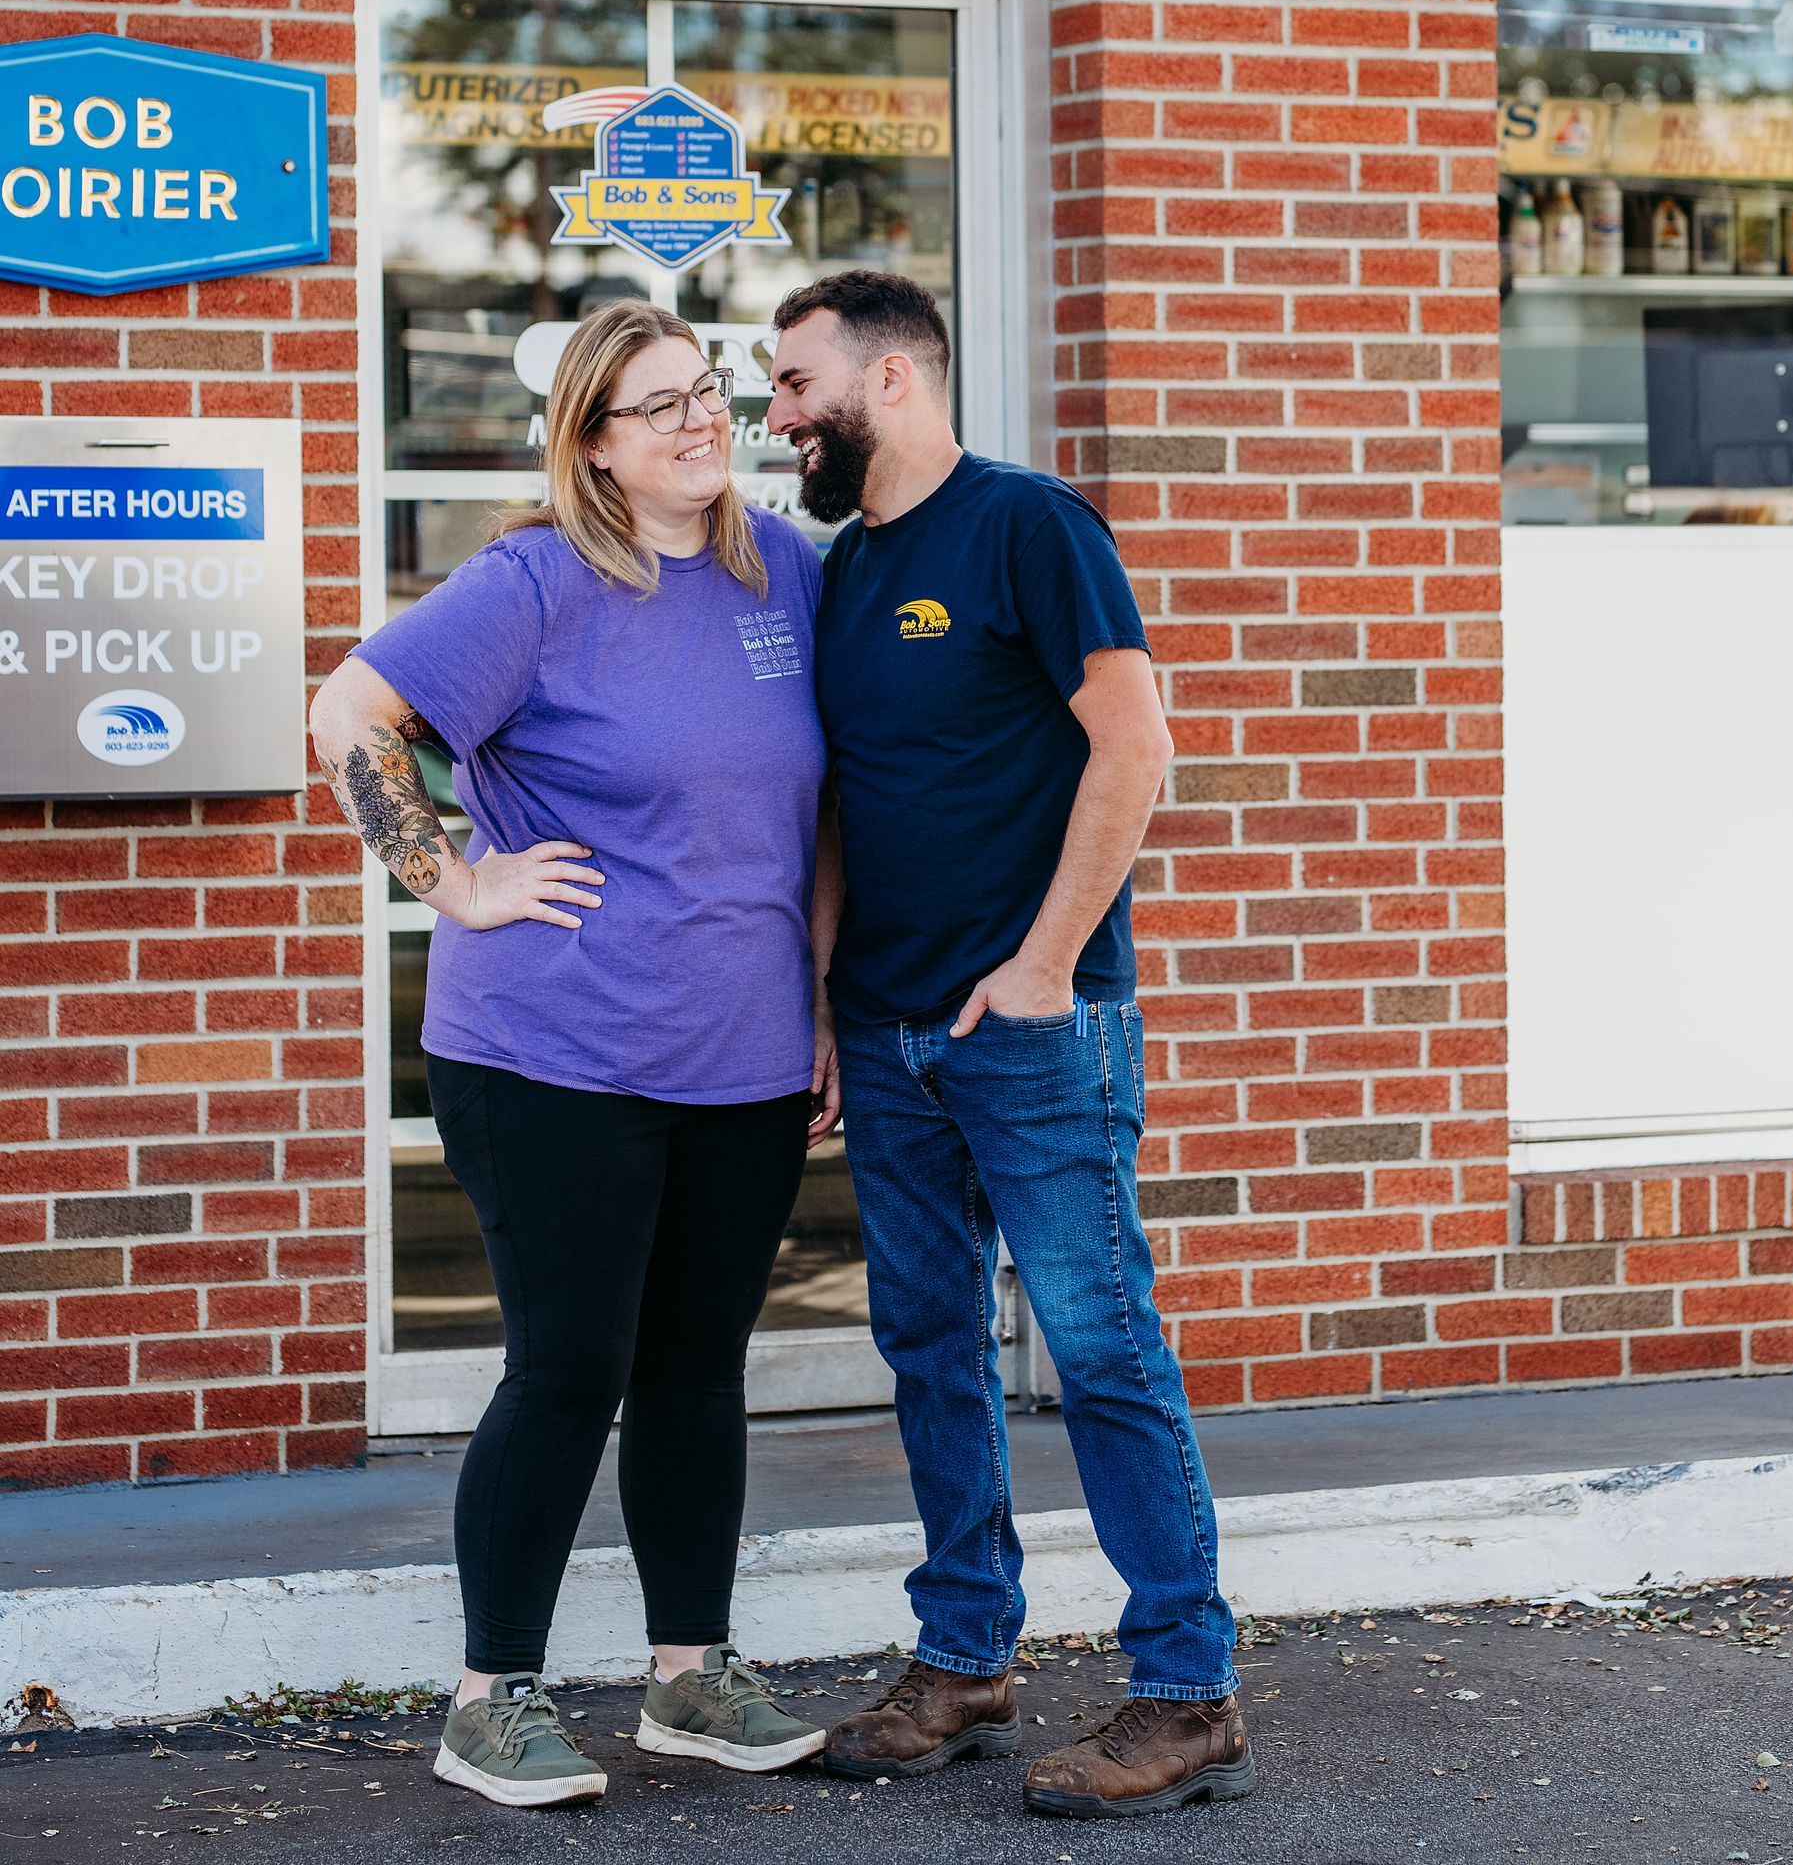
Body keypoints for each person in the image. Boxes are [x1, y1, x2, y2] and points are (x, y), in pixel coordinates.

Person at [310, 300, 838, 1808]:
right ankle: (493, 1696)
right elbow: (350, 712)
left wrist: (811, 993)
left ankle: (689, 1677)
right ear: (593, 449)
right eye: (658, 407)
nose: (699, 423)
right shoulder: (535, 582)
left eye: (709, 393)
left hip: (739, 1050)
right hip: (551, 1048)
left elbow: (810, 808)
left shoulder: (779, 571)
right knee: (569, 1367)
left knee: (695, 1371)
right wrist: (456, 881)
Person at [766, 269, 1249, 1822]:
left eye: (793, 386)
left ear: (889, 380)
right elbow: (842, 797)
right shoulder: (842, 573)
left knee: (1103, 1350)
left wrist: (1045, 967)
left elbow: (1137, 746)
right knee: (927, 1350)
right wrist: (827, 996)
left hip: (1036, 1031)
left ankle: (1188, 1694)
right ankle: (965, 1657)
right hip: (892, 1031)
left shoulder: (1033, 526)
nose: (777, 419)